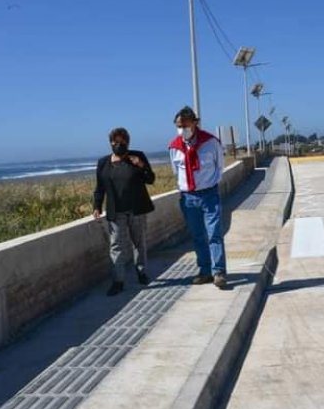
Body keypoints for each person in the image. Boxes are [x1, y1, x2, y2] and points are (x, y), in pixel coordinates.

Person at [169, 106, 228, 288]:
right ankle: (205, 271)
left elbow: (220, 167)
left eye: (185, 125)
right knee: (197, 236)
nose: (182, 129)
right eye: (178, 126)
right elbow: (175, 171)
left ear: (194, 123)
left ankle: (219, 272)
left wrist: (209, 184)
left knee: (214, 234)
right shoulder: (174, 147)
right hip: (188, 198)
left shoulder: (211, 142)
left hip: (209, 194)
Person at [93, 127, 155, 296]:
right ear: (110, 143)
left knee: (139, 243)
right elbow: (100, 187)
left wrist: (141, 165)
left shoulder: (137, 156)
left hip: (137, 209)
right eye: (115, 142)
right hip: (116, 211)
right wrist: (97, 206)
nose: (118, 145)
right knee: (116, 246)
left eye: (121, 142)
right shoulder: (103, 163)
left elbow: (151, 179)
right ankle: (118, 281)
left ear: (127, 143)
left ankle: (141, 273)